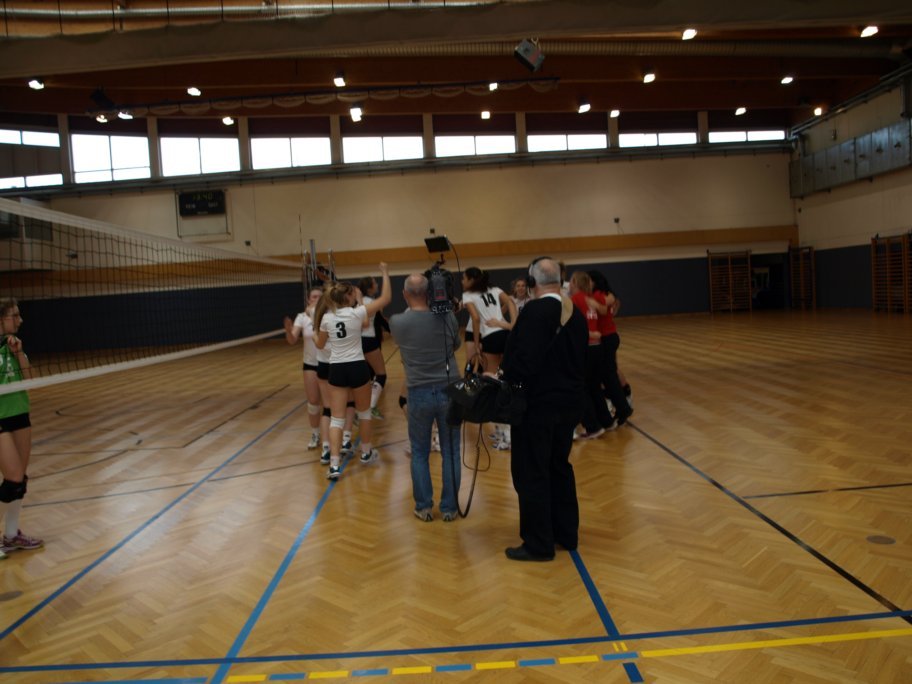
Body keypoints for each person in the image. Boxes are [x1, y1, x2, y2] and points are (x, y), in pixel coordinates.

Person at [498, 258, 587, 561]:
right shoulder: (575, 314)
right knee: (559, 466)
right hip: (570, 404)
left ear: (532, 283)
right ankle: (566, 533)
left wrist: (504, 377)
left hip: (538, 407)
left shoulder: (534, 312)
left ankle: (538, 543)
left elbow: (522, 362)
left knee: (532, 471)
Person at [389, 274, 461, 522]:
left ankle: (424, 507)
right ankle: (450, 508)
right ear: (430, 293)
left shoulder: (397, 322)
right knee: (451, 451)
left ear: (404, 294)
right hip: (450, 390)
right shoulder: (447, 316)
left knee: (419, 452)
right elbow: (455, 344)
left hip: (418, 392)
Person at [314, 265, 392, 480]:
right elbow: (385, 298)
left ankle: (334, 465)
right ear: (349, 297)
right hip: (357, 367)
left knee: (336, 419)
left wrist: (314, 333)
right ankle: (366, 453)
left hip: (337, 369)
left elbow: (319, 345)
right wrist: (385, 272)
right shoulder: (357, 313)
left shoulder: (327, 319)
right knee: (364, 413)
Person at [0, 298, 42, 560]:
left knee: (19, 481)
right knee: (13, 477)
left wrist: (18, 353)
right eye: (14, 315)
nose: (20, 320)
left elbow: (31, 380)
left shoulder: (14, 345)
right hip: (0, 417)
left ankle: (11, 534)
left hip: (20, 413)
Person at [461, 267, 517, 449]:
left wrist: (477, 344)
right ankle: (504, 430)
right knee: (505, 380)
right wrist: (513, 325)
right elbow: (511, 303)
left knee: (493, 384)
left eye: (463, 278)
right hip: (506, 336)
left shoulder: (468, 295)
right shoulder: (495, 289)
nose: (462, 281)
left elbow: (476, 319)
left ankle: (506, 433)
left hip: (491, 338)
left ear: (471, 279)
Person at [568, 270, 615, 438]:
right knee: (594, 386)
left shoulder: (575, 299)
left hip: (586, 347)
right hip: (597, 347)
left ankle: (592, 426)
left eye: (570, 280)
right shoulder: (589, 298)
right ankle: (607, 421)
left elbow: (574, 326)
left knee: (582, 387)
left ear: (575, 282)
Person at [588, 270, 633, 426]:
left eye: (589, 281)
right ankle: (621, 406)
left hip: (606, 338)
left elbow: (604, 307)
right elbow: (614, 302)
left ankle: (623, 407)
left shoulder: (597, 295)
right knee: (607, 375)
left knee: (609, 376)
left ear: (594, 281)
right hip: (610, 336)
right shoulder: (605, 294)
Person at [283, 286, 325, 452]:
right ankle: (315, 434)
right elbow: (292, 340)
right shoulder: (301, 317)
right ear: (308, 299)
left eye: (319, 297)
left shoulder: (328, 316)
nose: (316, 299)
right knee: (313, 401)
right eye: (313, 297)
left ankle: (335, 436)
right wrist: (288, 330)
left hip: (328, 363)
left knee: (330, 403)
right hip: (310, 364)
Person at [358, 276, 388, 419]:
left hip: (357, 341)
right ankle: (371, 406)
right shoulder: (371, 302)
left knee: (365, 376)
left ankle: (360, 409)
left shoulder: (356, 302)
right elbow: (381, 315)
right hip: (369, 340)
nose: (377, 284)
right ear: (370, 288)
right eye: (375, 283)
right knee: (381, 374)